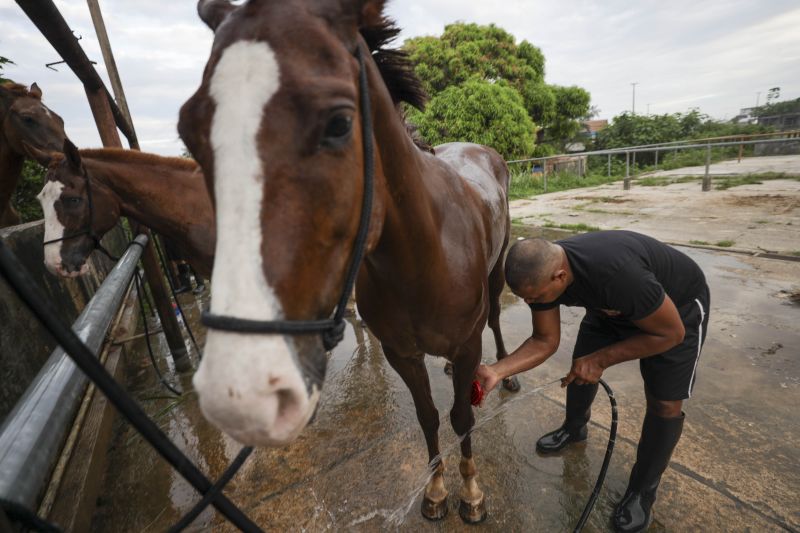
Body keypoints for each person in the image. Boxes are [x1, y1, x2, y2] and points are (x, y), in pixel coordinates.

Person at [476, 230, 709, 533]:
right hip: (610, 310)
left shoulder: (618, 275)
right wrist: (497, 370)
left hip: (675, 313)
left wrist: (600, 360)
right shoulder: (542, 275)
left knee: (664, 402)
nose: (529, 302)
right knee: (580, 367)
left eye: (533, 297)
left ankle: (642, 491)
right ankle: (574, 428)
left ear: (560, 277)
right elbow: (544, 340)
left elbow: (671, 334)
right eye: (524, 298)